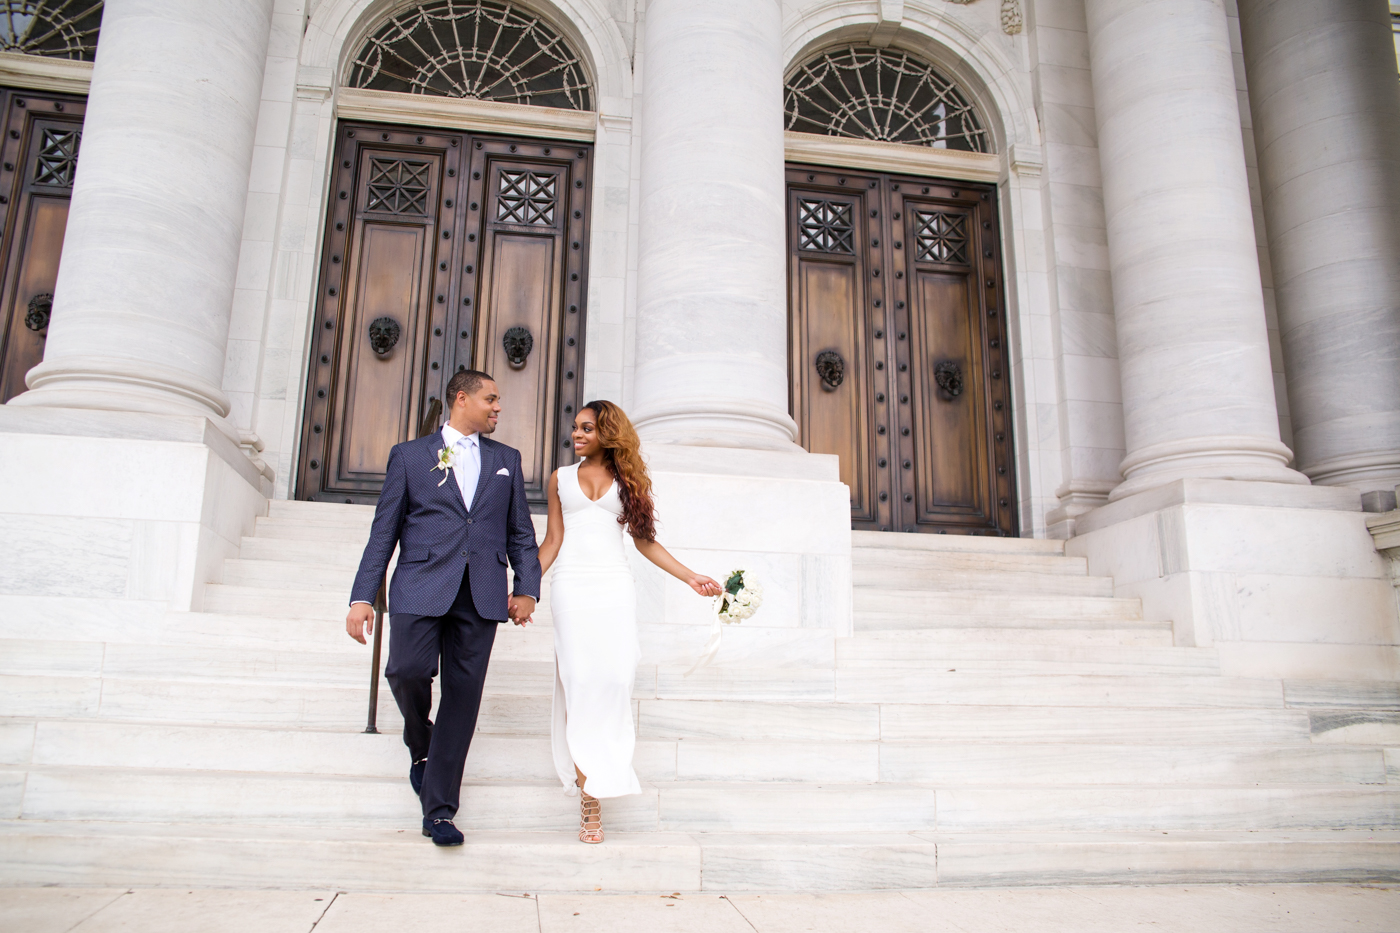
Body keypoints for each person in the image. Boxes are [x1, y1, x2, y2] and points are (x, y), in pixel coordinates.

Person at [345, 369, 541, 847]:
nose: (498, 408)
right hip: (420, 584)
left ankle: (439, 810)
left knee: (462, 697)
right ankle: (420, 742)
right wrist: (361, 596)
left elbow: (520, 532)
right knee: (405, 669)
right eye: (490, 399)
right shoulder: (410, 456)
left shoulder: (507, 461)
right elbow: (383, 533)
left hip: (482, 592)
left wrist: (527, 588)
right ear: (461, 399)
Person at [535, 400, 721, 844]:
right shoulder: (560, 478)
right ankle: (590, 800)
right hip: (571, 588)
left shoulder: (629, 481)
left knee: (615, 680)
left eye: (586, 428)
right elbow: (553, 539)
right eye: (575, 428)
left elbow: (645, 542)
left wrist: (691, 576)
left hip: (614, 589)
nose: (576, 434)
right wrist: (525, 587)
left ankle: (608, 769)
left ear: (608, 433)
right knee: (579, 682)